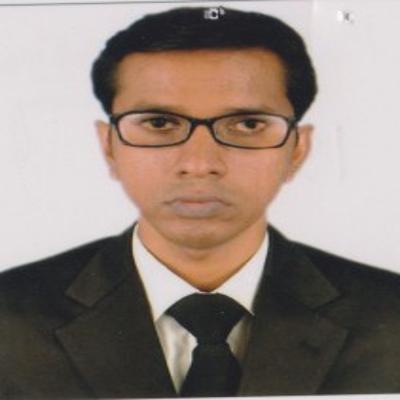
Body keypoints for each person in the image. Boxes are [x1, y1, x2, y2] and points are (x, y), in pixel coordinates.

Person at [1, 6, 400, 399]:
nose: (199, 164)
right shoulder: (9, 318)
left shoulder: (390, 315)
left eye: (247, 124)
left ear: (297, 149)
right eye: (159, 123)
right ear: (109, 146)